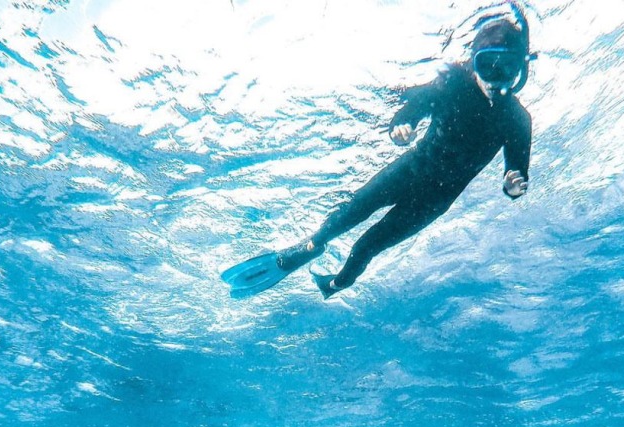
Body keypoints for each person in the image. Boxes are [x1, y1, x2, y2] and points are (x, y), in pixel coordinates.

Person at [225, 10, 534, 300]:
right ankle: (309, 246)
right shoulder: (452, 83)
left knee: (365, 247)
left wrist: (512, 185)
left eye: (507, 68)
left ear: (522, 68)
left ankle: (333, 285)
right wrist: (401, 126)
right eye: (487, 64)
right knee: (345, 215)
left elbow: (516, 173)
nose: (496, 78)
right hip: (410, 170)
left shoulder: (517, 120)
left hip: (435, 200)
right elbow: (409, 110)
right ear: (473, 60)